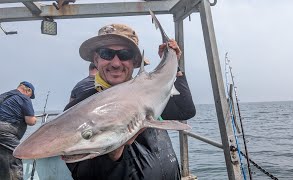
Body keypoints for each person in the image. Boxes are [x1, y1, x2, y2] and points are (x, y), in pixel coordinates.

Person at [64, 23, 196, 180]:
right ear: (96, 59)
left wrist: (175, 63)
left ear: (134, 61)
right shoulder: (80, 108)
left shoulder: (149, 92)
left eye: (124, 54)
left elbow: (185, 110)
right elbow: (83, 175)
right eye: (107, 54)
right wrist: (113, 153)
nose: (115, 63)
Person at [0, 81, 37, 180]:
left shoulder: (3, 96)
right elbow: (30, 121)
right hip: (6, 131)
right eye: (30, 95)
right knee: (15, 158)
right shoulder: (24, 98)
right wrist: (35, 119)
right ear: (28, 90)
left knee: (3, 163)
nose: (29, 98)